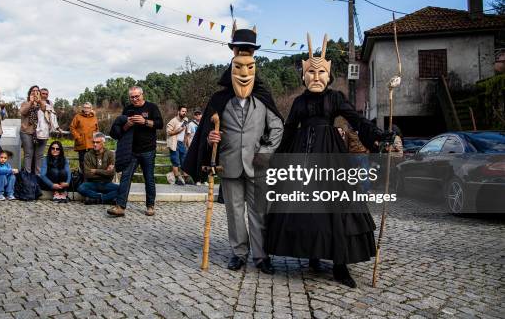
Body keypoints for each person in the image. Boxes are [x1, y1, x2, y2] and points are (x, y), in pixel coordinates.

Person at [264, 33, 392, 288]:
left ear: (329, 75)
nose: (316, 77)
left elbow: (356, 120)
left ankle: (340, 265)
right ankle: (312, 255)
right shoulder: (299, 101)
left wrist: (377, 136)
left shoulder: (335, 98)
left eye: (321, 72)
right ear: (303, 75)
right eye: (311, 72)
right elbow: (289, 130)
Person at [183, 24, 284, 274]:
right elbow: (208, 130)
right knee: (234, 214)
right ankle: (239, 253)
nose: (244, 53)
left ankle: (261, 256)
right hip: (229, 164)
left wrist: (265, 153)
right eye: (240, 49)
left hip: (257, 165)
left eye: (248, 50)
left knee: (259, 213)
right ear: (233, 52)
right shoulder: (220, 99)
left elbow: (277, 128)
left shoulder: (262, 96)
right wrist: (210, 138)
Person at [107, 86, 163, 217]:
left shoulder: (151, 107)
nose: (134, 99)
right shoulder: (128, 109)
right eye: (132, 97)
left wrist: (145, 121)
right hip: (131, 150)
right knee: (125, 177)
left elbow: (159, 124)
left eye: (137, 96)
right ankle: (120, 207)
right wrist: (128, 124)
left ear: (142, 95)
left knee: (149, 178)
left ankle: (150, 206)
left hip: (148, 150)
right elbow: (122, 127)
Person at [78, 133, 117, 205]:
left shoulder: (110, 154)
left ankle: (96, 199)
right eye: (93, 142)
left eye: (97, 142)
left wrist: (96, 171)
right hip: (92, 183)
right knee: (81, 188)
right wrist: (105, 172)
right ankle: (106, 199)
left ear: (103, 143)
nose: (95, 144)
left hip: (106, 183)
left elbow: (111, 173)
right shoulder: (88, 155)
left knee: (122, 189)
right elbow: (87, 174)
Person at [20, 85, 46, 174]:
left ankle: (38, 177)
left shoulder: (43, 103)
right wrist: (31, 102)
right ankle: (27, 176)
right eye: (33, 91)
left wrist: (39, 101)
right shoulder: (25, 103)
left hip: (40, 133)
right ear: (30, 93)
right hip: (27, 132)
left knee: (39, 155)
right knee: (28, 154)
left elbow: (44, 110)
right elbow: (23, 112)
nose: (35, 92)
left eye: (37, 91)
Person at [70, 102, 99, 174]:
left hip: (92, 145)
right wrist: (78, 137)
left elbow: (97, 130)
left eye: (88, 108)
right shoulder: (78, 116)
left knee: (92, 164)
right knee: (82, 165)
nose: (86, 109)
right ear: (83, 108)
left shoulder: (94, 117)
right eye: (85, 107)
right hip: (81, 144)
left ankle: (90, 182)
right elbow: (72, 127)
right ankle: (83, 182)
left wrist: (96, 141)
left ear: (91, 109)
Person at [166, 105, 189, 186]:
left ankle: (186, 179)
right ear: (178, 111)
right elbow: (169, 132)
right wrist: (178, 130)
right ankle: (177, 179)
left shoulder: (186, 120)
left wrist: (186, 143)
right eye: (183, 111)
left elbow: (186, 133)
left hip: (182, 143)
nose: (184, 113)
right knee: (175, 162)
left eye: (185, 112)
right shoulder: (173, 121)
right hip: (174, 143)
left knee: (185, 162)